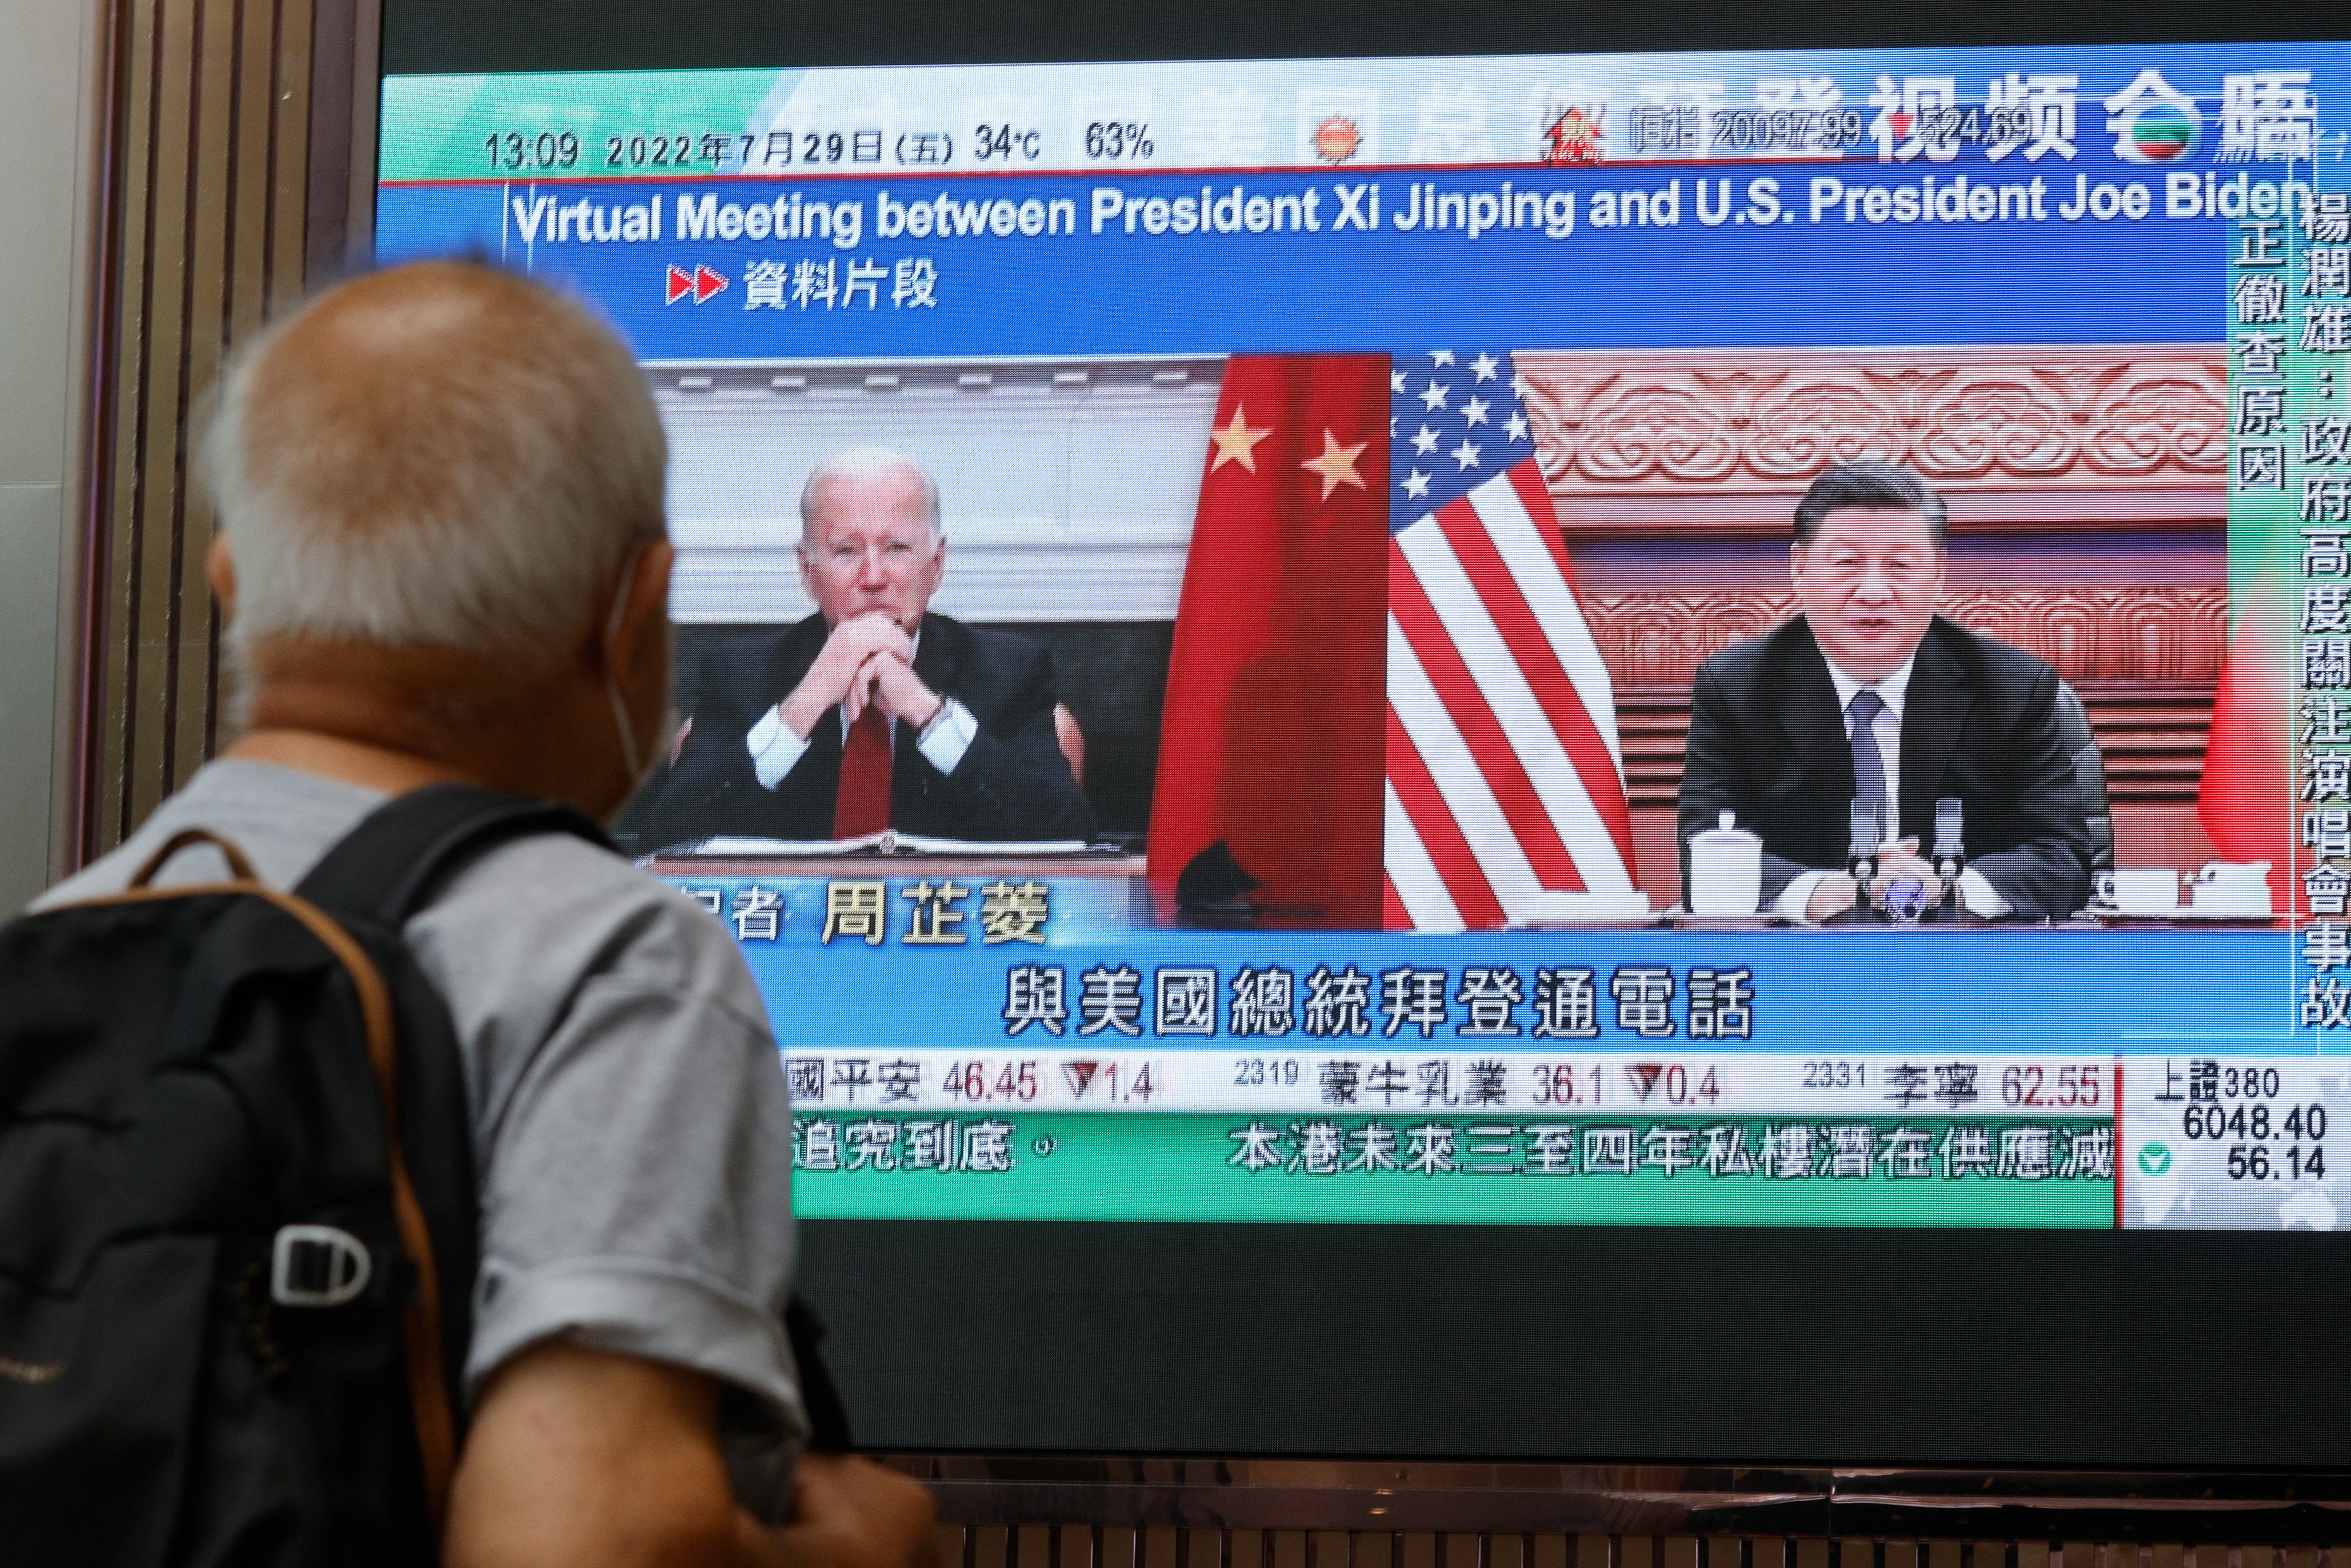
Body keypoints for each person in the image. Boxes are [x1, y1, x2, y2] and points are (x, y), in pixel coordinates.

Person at [32, 261, 939, 1568]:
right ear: (634, 616)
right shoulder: (611, 957)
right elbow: (593, 1539)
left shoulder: (61, 925)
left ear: (231, 585)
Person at [1676, 462, 2092, 922]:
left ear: (1937, 575)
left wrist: (1948, 887)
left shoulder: (2010, 686)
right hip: (1798, 963)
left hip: (1968, 961)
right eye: (1847, 563)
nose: (1874, 591)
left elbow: (2066, 859)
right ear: (1798, 569)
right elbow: (1703, 850)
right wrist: (1811, 891)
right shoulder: (1738, 686)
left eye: (1900, 565)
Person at [638, 447, 1097, 846]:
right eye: (846, 552)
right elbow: (666, 839)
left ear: (935, 566)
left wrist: (926, 712)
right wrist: (808, 699)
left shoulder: (1009, 671)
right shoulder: (741, 673)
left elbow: (1069, 832)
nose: (874, 577)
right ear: (806, 570)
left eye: (897, 548)